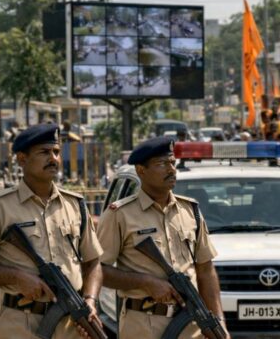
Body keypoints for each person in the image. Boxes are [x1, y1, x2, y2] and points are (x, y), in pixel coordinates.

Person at [0, 124, 104, 339]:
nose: (53, 158)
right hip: (20, 324)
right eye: (44, 152)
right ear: (21, 159)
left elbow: (93, 262)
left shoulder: (75, 205)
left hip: (71, 325)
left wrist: (90, 299)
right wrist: (17, 277)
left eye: (56, 152)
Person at [96, 137, 228, 338]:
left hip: (191, 323)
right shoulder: (119, 215)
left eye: (172, 163)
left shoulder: (190, 211)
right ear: (141, 170)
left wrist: (218, 321)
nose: (171, 170)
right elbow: (97, 271)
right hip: (143, 323)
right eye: (162, 164)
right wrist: (145, 283)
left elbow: (205, 270)